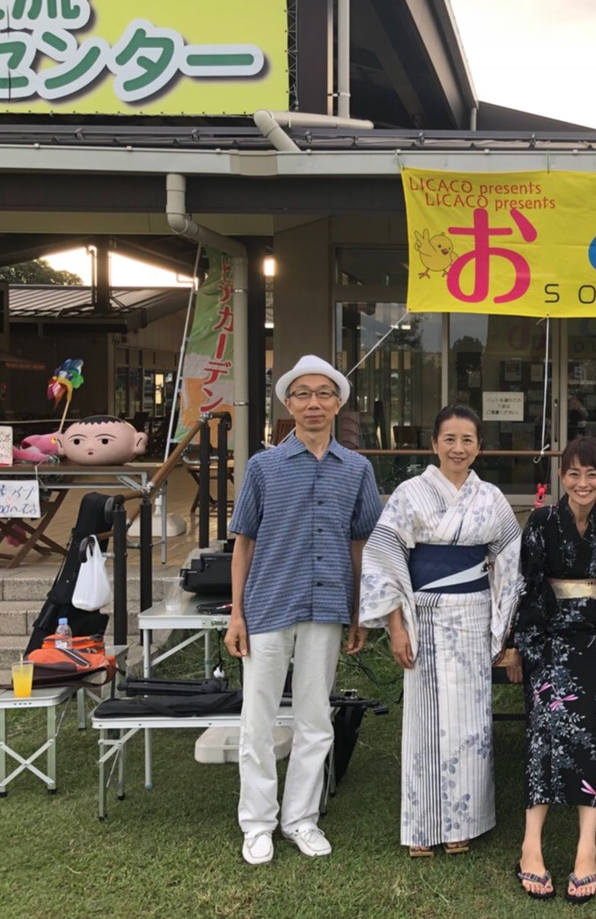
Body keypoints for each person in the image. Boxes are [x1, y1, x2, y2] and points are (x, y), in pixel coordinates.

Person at [226, 354, 381, 865]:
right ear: (288, 405)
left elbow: (361, 545)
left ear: (338, 404)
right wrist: (236, 615)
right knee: (258, 719)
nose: (313, 403)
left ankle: (301, 819)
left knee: (316, 719)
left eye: (323, 394)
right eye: (302, 395)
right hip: (268, 604)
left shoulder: (357, 469)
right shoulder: (263, 467)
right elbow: (244, 543)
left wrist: (359, 611)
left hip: (327, 605)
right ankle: (257, 823)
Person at [361, 405, 523, 856]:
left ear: (479, 447)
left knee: (470, 721)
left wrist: (502, 625)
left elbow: (511, 555)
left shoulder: (490, 497)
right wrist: (396, 626)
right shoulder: (410, 493)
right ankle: (422, 825)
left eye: (467, 439)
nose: (458, 448)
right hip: (424, 615)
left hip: (473, 614)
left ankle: (462, 822)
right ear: (434, 444)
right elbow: (384, 558)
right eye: (449, 438)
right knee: (425, 719)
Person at [506, 436, 596, 902]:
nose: (582, 482)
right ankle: (531, 846)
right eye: (573, 473)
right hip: (549, 641)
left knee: (592, 737)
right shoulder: (542, 521)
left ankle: (587, 848)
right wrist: (520, 645)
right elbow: (527, 585)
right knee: (543, 736)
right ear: (561, 476)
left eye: (592, 474)